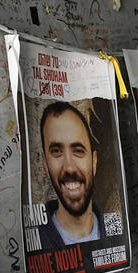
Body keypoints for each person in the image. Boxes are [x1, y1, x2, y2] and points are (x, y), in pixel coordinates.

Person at [36, 101, 103, 248]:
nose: (69, 167)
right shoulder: (37, 243)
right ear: (45, 164)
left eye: (78, 151)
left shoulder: (116, 229)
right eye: (56, 152)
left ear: (94, 162)